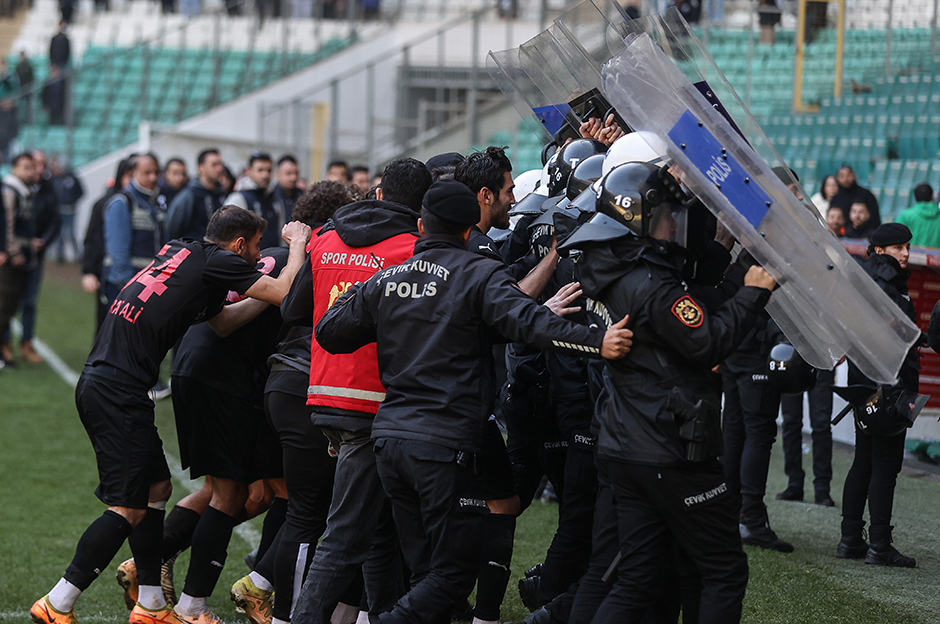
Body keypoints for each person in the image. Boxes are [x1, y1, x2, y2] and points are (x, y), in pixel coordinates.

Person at [314, 179, 633, 624]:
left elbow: (329, 331)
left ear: (422, 226)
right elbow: (534, 325)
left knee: (425, 571)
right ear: (468, 231)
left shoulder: (387, 278)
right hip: (440, 445)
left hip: (389, 443)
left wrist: (376, 294)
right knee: (449, 579)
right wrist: (600, 342)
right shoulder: (478, 273)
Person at [30, 207, 312, 624]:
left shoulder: (182, 252)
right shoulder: (223, 261)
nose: (255, 256)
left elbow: (223, 325)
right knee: (127, 508)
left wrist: (257, 298)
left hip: (108, 381)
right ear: (238, 245)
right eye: (254, 247)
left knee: (157, 489)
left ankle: (151, 605)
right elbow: (287, 291)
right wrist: (299, 243)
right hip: (117, 390)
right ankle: (58, 601)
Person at [565, 162, 777, 623]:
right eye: (665, 215)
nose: (672, 226)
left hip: (627, 440)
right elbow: (706, 342)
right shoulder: (652, 284)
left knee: (638, 578)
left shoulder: (610, 269)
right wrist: (753, 292)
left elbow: (673, 341)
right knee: (723, 570)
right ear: (641, 216)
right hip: (670, 445)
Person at [288, 158, 432, 624]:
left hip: (326, 392)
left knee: (375, 530)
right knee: (347, 535)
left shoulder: (326, 238)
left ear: (378, 193)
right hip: (377, 401)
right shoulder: (415, 248)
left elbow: (292, 308)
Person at [229, 180, 359, 624]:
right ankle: (281, 607)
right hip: (305, 385)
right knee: (306, 510)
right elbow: (293, 307)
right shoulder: (330, 252)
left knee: (288, 500)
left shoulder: (303, 251)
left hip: (275, 383)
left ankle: (262, 582)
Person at [837, 223, 919, 568]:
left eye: (907, 247)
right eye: (899, 248)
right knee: (885, 467)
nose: (905, 253)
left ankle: (851, 539)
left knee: (864, 460)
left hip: (864, 383)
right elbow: (891, 337)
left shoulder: (863, 276)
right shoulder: (886, 284)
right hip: (887, 386)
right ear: (882, 250)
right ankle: (880, 545)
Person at [8, 149, 61, 364]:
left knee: (29, 302)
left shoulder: (48, 189)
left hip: (35, 255)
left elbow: (55, 220)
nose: (37, 169)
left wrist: (43, 241)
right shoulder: (15, 189)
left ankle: (26, 344)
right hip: (15, 254)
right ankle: (4, 344)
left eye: (40, 165)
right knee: (9, 299)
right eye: (32, 165)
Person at [101, 154, 166, 307]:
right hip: (126, 286)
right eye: (147, 172)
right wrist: (130, 286)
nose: (153, 177)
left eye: (156, 172)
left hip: (147, 285)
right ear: (133, 173)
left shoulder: (157, 203)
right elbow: (118, 250)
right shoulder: (122, 202)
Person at [0, 152, 38, 368]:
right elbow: (7, 224)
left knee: (10, 306)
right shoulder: (10, 191)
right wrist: (13, 251)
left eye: (32, 167)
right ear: (14, 168)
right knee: (4, 305)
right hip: (11, 259)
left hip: (20, 257)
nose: (31, 172)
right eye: (26, 167)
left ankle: (5, 351)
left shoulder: (25, 191)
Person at [225, 152, 281, 250]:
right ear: (249, 171)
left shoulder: (274, 198)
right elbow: (227, 235)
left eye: (268, 170)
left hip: (273, 259)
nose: (265, 175)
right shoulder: (238, 198)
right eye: (260, 170)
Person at [167, 149, 224, 242]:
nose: (219, 169)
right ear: (201, 167)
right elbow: (173, 230)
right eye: (214, 165)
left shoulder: (221, 195)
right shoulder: (188, 196)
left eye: (220, 164)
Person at [50, 156, 84, 262]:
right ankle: (60, 256)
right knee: (59, 233)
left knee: (70, 232)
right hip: (59, 210)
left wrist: (72, 201)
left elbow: (81, 191)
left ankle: (77, 256)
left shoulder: (71, 177)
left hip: (70, 210)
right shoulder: (54, 178)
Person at [895, 183, 940, 249]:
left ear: (915, 198)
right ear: (932, 197)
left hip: (911, 257)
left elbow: (896, 239)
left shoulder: (904, 216)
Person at [273, 155, 302, 234]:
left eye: (296, 173)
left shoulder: (303, 196)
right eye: (288, 173)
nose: (293, 177)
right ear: (277, 174)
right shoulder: (270, 197)